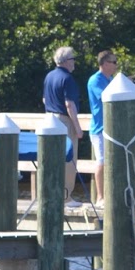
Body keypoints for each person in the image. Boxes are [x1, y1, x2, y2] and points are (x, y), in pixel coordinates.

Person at [42, 45, 82, 203]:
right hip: (64, 121)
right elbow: (69, 104)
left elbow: (44, 99)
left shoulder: (49, 76)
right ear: (66, 61)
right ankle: (66, 198)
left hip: (50, 120)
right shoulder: (67, 78)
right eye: (73, 59)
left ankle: (52, 195)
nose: (74, 62)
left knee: (52, 160)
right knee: (68, 161)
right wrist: (77, 128)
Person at [86, 50, 118, 206]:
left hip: (112, 128)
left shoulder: (110, 79)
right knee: (102, 161)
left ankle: (111, 195)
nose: (116, 65)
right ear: (105, 64)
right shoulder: (95, 80)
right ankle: (100, 197)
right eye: (114, 62)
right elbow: (106, 96)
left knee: (112, 161)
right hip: (99, 128)